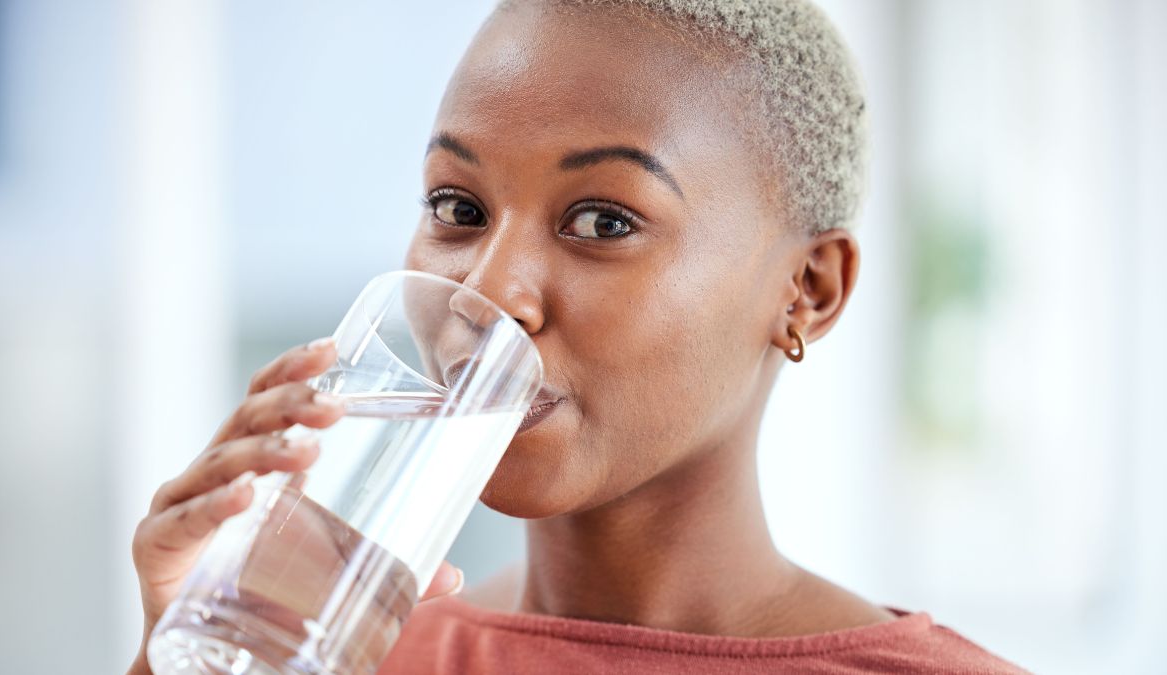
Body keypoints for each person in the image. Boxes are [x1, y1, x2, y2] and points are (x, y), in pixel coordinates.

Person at [129, 0, 1029, 672]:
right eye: (459, 207)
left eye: (602, 221)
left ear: (807, 289)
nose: (487, 293)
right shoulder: (333, 652)